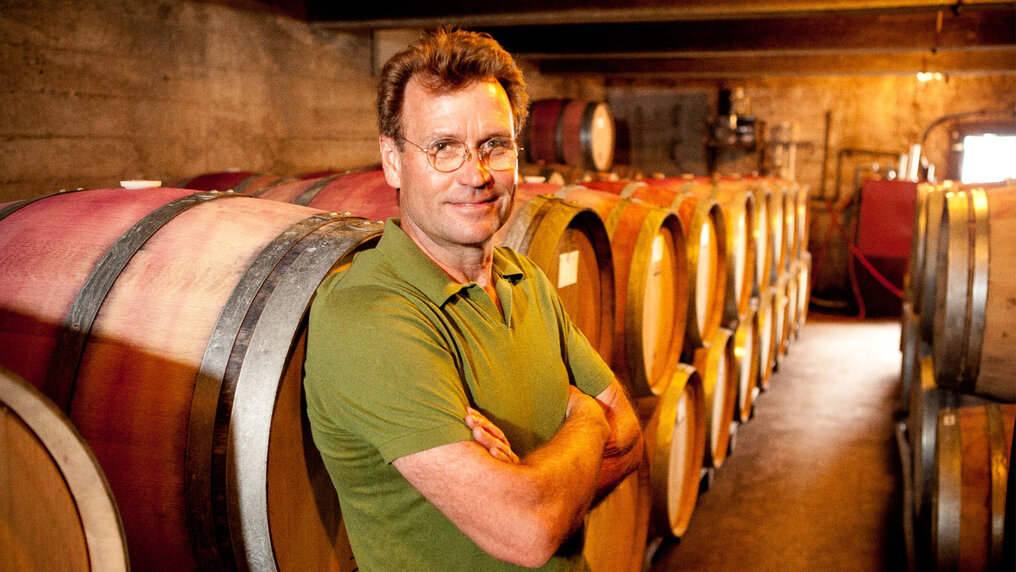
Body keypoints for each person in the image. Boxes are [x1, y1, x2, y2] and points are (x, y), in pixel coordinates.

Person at [303, 27, 643, 571]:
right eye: (443, 148)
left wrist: (536, 482)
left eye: (494, 145)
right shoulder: (369, 315)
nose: (476, 175)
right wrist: (585, 420)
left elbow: (627, 433)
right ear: (392, 161)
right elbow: (528, 531)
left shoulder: (524, 279)